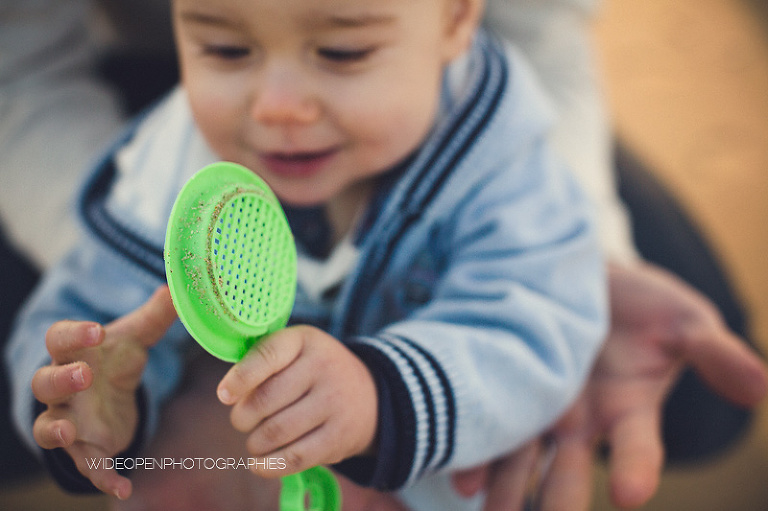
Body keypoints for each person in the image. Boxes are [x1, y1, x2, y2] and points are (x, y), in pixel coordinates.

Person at [2, 0, 766, 509]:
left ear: (458, 19)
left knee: (701, 407)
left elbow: (537, 326)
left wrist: (383, 395)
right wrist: (95, 406)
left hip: (419, 479)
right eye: (224, 48)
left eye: (342, 50)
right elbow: (94, 299)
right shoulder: (173, 163)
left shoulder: (498, 162)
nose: (276, 105)